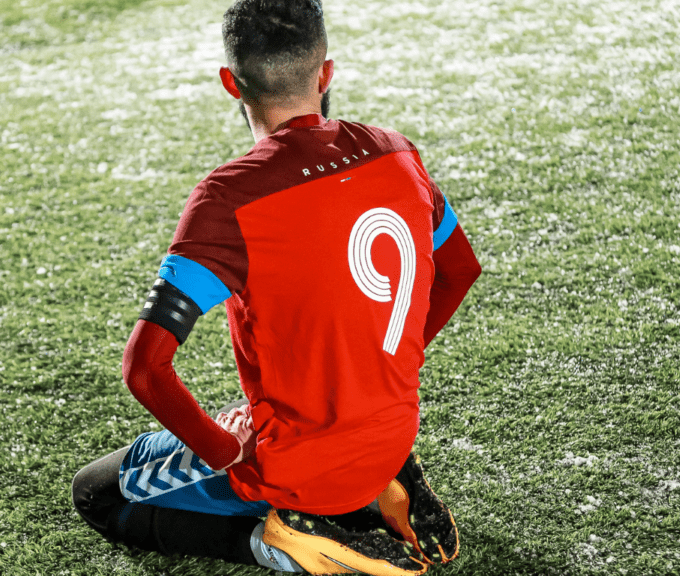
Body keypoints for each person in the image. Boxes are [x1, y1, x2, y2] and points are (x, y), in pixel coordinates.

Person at [71, 0, 482, 573]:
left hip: (296, 459)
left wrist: (225, 448)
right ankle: (374, 491)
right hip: (390, 430)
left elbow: (145, 368)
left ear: (229, 84)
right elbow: (460, 272)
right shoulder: (398, 152)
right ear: (326, 73)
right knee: (326, 430)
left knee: (96, 493)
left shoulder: (229, 198)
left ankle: (283, 540)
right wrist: (380, 363)